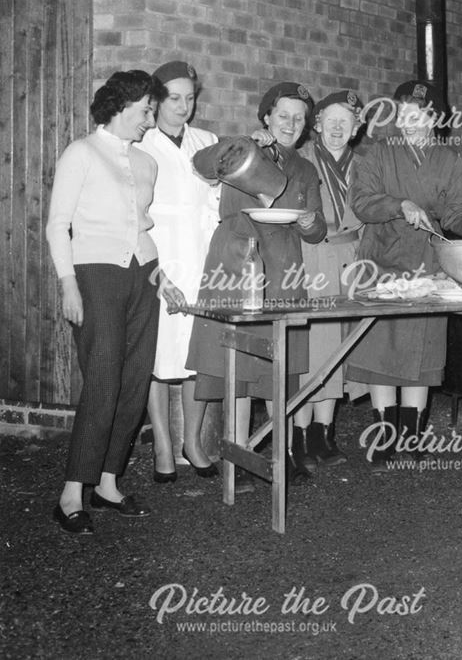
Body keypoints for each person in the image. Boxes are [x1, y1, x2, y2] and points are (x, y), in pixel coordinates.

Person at [46, 70, 184, 534]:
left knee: (134, 382)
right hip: (95, 277)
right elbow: (57, 224)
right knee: (103, 380)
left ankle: (108, 483)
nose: (151, 117)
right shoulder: (81, 153)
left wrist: (163, 278)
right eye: (146, 108)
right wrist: (68, 284)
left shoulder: (147, 163)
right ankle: (71, 493)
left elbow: (142, 229)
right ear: (121, 106)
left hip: (143, 277)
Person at [345, 80, 462, 471]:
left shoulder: (448, 158)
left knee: (421, 353)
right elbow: (361, 203)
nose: (410, 123)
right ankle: (382, 435)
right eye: (404, 115)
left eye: (420, 116)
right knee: (382, 351)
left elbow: (457, 210)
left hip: (427, 265)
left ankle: (410, 437)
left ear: (435, 118)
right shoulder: (376, 154)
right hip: (381, 263)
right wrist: (400, 204)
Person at [186, 82, 326, 486]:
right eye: (282, 115)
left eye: (299, 118)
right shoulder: (241, 150)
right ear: (266, 116)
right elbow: (200, 163)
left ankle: (279, 455)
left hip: (283, 269)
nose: (290, 123)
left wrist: (309, 222)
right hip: (237, 261)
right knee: (240, 369)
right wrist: (245, 142)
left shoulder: (304, 168)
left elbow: (316, 230)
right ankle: (239, 457)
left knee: (278, 369)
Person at [138, 60, 220, 482]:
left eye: (189, 98)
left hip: (201, 260)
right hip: (159, 261)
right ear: (155, 100)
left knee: (196, 354)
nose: (183, 106)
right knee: (158, 353)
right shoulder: (141, 142)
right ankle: (164, 448)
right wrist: (155, 270)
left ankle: (193, 440)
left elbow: (218, 202)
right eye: (174, 98)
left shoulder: (206, 142)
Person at [294, 89, 368, 468]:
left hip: (350, 259)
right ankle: (300, 434)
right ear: (317, 124)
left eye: (347, 121)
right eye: (331, 120)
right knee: (311, 347)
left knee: (340, 345)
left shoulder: (365, 164)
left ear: (357, 128)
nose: (338, 127)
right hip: (313, 258)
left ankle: (325, 433)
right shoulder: (301, 157)